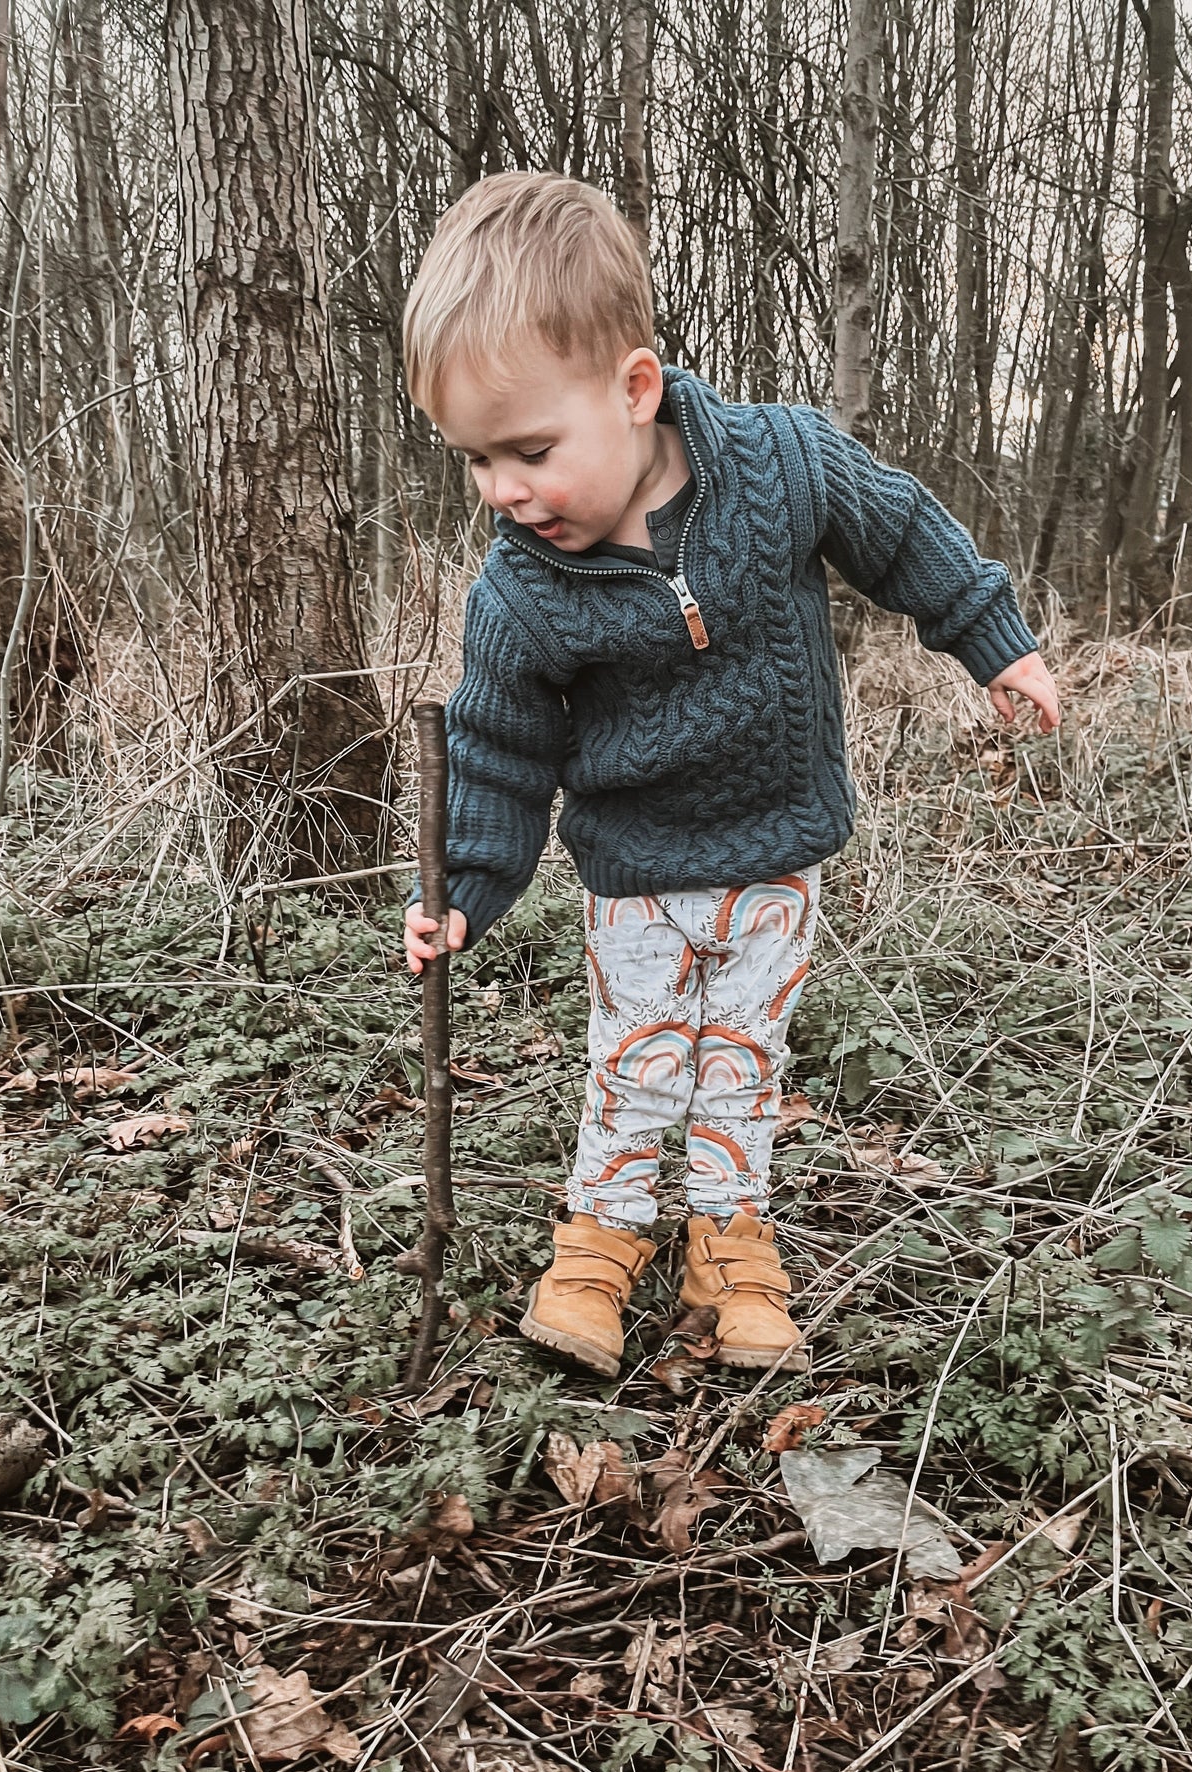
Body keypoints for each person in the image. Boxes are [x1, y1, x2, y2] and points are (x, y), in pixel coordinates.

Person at [400, 172, 1060, 1380]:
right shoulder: (520, 593)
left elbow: (900, 533)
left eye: (530, 450)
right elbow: (499, 751)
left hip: (774, 853)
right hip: (637, 874)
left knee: (742, 1055)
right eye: (475, 460)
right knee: (638, 1053)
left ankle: (727, 1236)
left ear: (635, 388)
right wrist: (465, 889)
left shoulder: (780, 462)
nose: (502, 489)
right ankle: (602, 1236)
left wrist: (993, 640)